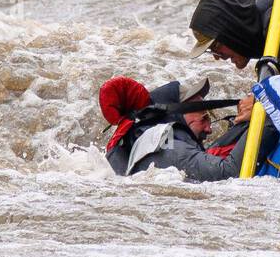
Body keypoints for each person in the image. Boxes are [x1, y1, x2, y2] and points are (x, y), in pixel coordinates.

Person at [101, 77, 259, 181]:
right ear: (174, 116)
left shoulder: (149, 140)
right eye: (203, 117)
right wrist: (265, 113)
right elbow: (229, 173)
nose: (209, 129)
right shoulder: (171, 148)